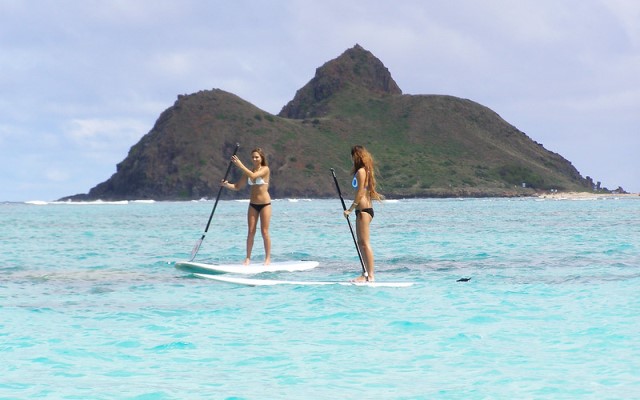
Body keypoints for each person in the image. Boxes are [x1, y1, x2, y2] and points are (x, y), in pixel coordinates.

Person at [221, 148, 272, 265]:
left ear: (261, 158)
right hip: (253, 205)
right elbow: (237, 186)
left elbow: (254, 176)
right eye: (253, 157)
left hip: (265, 204)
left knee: (264, 232)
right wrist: (226, 185)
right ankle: (248, 258)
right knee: (250, 231)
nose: (254, 159)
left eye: (257, 157)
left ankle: (267, 258)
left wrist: (239, 165)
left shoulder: (265, 169)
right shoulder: (248, 172)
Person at [343, 145, 383, 282]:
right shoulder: (363, 171)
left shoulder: (361, 171)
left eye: (352, 156)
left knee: (365, 243)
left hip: (364, 211)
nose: (351, 159)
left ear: (357, 156)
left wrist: (350, 209)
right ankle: (365, 273)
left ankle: (370, 275)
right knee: (360, 243)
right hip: (362, 211)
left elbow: (360, 192)